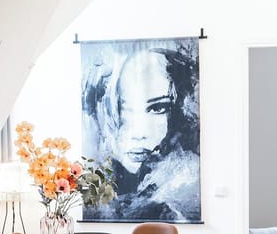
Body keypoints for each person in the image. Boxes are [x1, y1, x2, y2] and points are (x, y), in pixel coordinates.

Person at [81, 38, 201, 222]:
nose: (139, 133)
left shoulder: (184, 187)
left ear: (178, 110)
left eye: (157, 108)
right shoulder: (101, 186)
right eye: (121, 108)